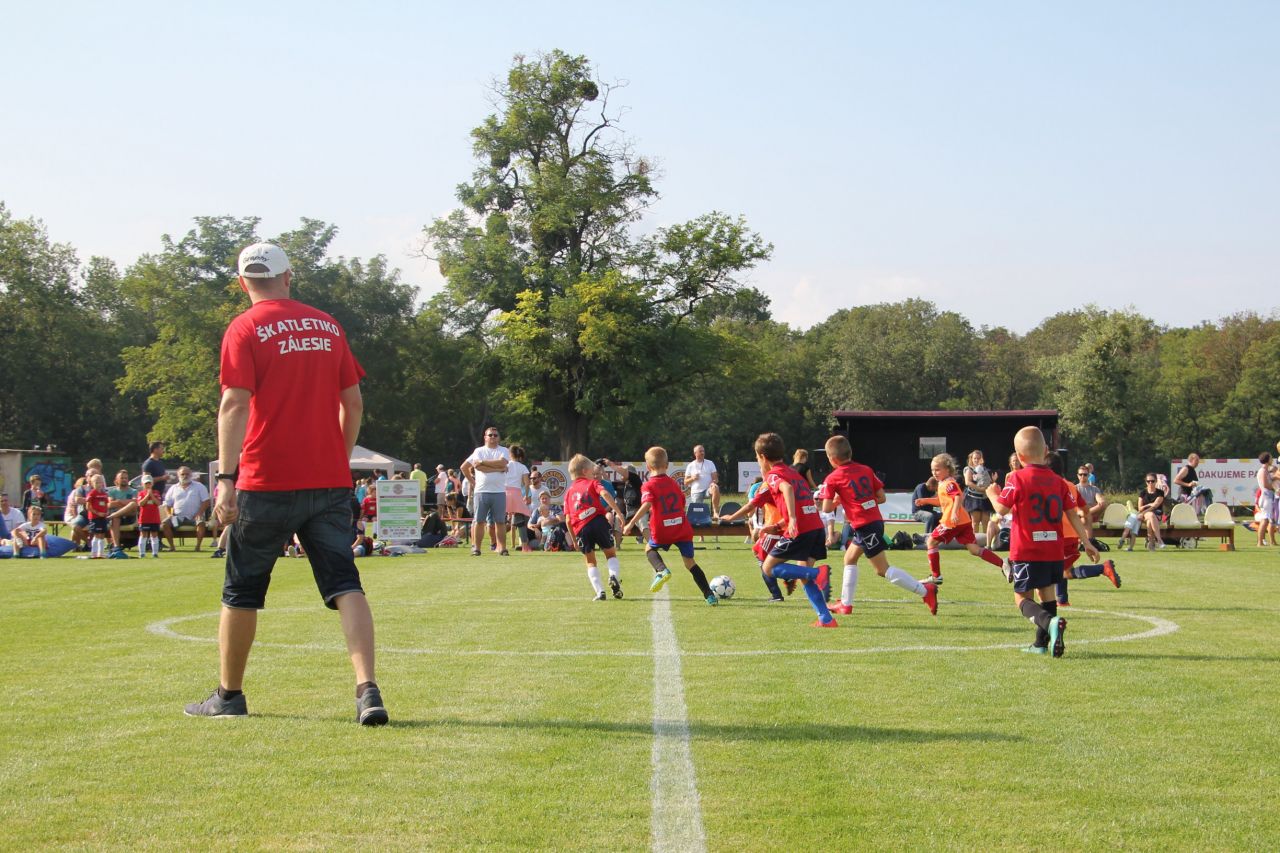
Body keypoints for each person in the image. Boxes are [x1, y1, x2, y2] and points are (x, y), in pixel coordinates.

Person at [185, 241, 387, 726]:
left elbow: (234, 403)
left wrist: (226, 479)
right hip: (327, 482)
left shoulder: (244, 327)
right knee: (346, 584)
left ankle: (229, 696)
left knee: (242, 591)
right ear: (288, 277)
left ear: (242, 283)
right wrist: (336, 461)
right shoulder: (328, 326)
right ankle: (367, 690)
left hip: (264, 480)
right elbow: (353, 403)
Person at [986, 426, 1098, 656]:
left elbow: (1001, 509)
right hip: (1054, 550)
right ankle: (1041, 644)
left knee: (1021, 598)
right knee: (1047, 594)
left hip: (1027, 549)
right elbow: (1073, 515)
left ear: (1019, 456)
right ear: (1046, 451)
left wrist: (991, 494)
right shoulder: (1058, 481)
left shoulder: (1016, 478)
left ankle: (1050, 623)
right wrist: (1087, 542)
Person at [717, 433, 835, 628]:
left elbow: (786, 489)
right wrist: (779, 525)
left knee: (768, 568)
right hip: (815, 527)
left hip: (801, 529)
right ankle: (826, 618)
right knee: (804, 575)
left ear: (763, 457)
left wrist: (792, 519)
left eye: (757, 458)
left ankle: (818, 574)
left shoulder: (774, 476)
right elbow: (758, 503)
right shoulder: (794, 473)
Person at [820, 434, 938, 617]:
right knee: (849, 558)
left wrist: (839, 499)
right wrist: (862, 502)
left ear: (832, 459)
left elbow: (826, 508)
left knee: (882, 570)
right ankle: (845, 604)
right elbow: (881, 497)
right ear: (850, 453)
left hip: (865, 526)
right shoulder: (866, 469)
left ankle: (925, 591)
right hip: (873, 522)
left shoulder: (833, 478)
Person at [622, 446, 717, 605]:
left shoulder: (648, 485)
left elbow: (646, 504)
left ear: (648, 467)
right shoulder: (674, 483)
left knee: (649, 549)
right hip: (682, 528)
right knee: (690, 563)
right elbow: (681, 502)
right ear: (666, 465)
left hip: (662, 528)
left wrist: (630, 523)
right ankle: (710, 595)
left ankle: (662, 570)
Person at [916, 453, 1008, 584]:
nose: (934, 473)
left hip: (952, 522)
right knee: (974, 549)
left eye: (937, 469)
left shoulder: (949, 483)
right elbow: (943, 501)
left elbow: (958, 497)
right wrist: (925, 500)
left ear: (947, 469)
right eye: (932, 470)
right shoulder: (943, 483)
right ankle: (1003, 563)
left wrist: (954, 513)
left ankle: (936, 576)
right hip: (963, 522)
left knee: (931, 542)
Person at [1045, 455, 1121, 606]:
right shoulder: (1071, 486)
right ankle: (1062, 599)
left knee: (1063, 571)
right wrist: (1080, 515)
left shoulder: (1049, 485)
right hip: (1072, 534)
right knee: (1064, 567)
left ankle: (1103, 568)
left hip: (1058, 535)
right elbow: (1085, 510)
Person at [563, 454, 624, 600]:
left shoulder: (569, 492)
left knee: (590, 561)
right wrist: (618, 512)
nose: (594, 474)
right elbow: (605, 493)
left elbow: (568, 520)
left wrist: (574, 541)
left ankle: (600, 592)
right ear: (585, 471)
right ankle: (613, 576)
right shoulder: (593, 483)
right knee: (610, 554)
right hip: (598, 522)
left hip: (581, 529)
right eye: (592, 471)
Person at [461, 426, 511, 557]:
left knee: (500, 522)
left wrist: (484, 462)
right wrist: (473, 481)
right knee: (479, 521)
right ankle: (476, 548)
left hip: (499, 491)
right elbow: (475, 467)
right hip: (481, 491)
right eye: (490, 435)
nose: (493, 437)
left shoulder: (504, 450)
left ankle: (502, 548)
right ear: (485, 437)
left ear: (499, 438)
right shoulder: (479, 450)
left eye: (495, 435)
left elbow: (503, 463)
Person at [162, 466, 210, 552]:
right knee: (165, 523)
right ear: (178, 475)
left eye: (187, 474)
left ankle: (198, 547)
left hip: (195, 516)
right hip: (177, 517)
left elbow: (206, 501)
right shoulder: (173, 488)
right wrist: (169, 515)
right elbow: (167, 504)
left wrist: (199, 513)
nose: (185, 476)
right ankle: (172, 547)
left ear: (191, 475)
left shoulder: (199, 486)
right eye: (182, 474)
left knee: (201, 523)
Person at [505, 445, 532, 552]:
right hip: (516, 493)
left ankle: (500, 545)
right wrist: (526, 495)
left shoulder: (506, 465)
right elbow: (527, 483)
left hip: (504, 492)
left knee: (500, 520)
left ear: (510, 454)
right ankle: (525, 546)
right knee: (520, 521)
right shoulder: (523, 467)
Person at [962, 449, 994, 538]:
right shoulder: (968, 469)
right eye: (975, 458)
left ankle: (986, 542)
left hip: (985, 498)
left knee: (985, 522)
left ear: (982, 459)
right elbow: (968, 482)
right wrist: (980, 489)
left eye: (978, 458)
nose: (976, 460)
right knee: (975, 522)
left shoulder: (985, 470)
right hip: (974, 498)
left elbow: (988, 482)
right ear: (971, 459)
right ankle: (974, 541)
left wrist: (992, 481)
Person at [107, 469, 138, 558]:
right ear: (117, 480)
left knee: (132, 504)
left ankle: (114, 515)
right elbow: (110, 504)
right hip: (117, 516)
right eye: (122, 478)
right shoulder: (112, 491)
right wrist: (126, 503)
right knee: (115, 518)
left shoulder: (133, 491)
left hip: (129, 516)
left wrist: (119, 501)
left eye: (125, 478)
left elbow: (134, 503)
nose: (124, 480)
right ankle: (116, 547)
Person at [683, 444, 721, 515]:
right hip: (696, 491)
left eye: (703, 451)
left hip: (708, 489)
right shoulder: (690, 465)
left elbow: (716, 479)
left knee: (715, 487)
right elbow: (685, 482)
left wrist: (713, 483)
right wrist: (693, 478)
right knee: (698, 514)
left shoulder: (710, 463)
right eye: (700, 451)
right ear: (695, 453)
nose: (702, 453)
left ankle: (715, 512)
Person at [1074, 465, 1107, 540]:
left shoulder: (1094, 489)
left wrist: (1100, 502)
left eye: (1085, 474)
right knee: (1086, 517)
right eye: (1080, 474)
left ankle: (1085, 542)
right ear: (1077, 476)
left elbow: (1100, 501)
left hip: (1090, 514)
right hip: (1079, 514)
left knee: (1103, 503)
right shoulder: (1074, 488)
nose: (1082, 476)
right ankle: (1089, 541)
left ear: (1088, 475)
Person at [84, 473, 112, 559]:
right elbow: (88, 506)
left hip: (103, 517)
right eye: (96, 482)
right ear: (92, 484)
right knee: (97, 534)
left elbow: (106, 504)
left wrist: (107, 511)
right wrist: (97, 513)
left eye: (100, 482)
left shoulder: (104, 494)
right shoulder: (92, 493)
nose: (99, 484)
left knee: (102, 534)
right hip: (95, 517)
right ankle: (94, 552)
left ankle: (101, 553)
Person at [1138, 473, 1167, 550]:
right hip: (1145, 515)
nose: (1150, 483)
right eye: (1148, 481)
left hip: (1157, 514)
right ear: (1146, 482)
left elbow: (1155, 505)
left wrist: (1144, 511)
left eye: (1152, 481)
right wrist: (1148, 505)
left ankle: (1151, 543)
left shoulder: (1160, 492)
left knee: (1150, 520)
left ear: (1156, 481)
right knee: (1150, 515)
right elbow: (1140, 508)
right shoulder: (1143, 493)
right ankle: (1159, 540)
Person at [1257, 453, 1277, 547]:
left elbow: (1268, 480)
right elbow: (1265, 485)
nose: (1272, 460)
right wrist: (1275, 488)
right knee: (1265, 520)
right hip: (1266, 498)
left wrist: (1274, 476)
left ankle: (1270, 541)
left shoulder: (1265, 470)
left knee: (1267, 520)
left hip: (1267, 497)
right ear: (1267, 459)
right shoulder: (1263, 471)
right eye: (1271, 458)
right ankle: (1260, 542)